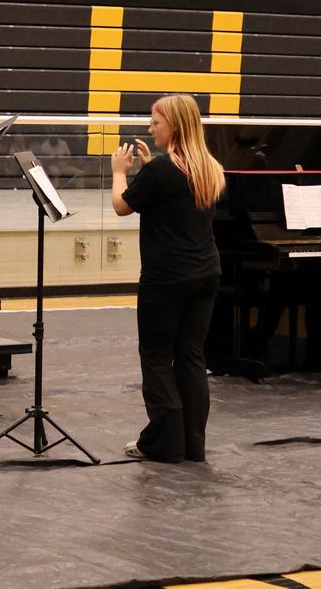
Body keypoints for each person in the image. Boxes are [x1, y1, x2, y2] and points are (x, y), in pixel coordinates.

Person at [110, 94, 225, 464]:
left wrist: (119, 172)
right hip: (206, 273)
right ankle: (193, 444)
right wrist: (148, 168)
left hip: (166, 277)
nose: (149, 128)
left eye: (155, 123)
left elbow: (122, 205)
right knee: (191, 356)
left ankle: (164, 442)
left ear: (173, 126)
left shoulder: (161, 171)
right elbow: (175, 197)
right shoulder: (210, 167)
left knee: (157, 357)